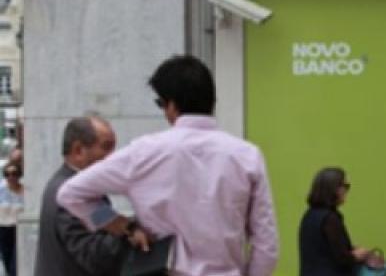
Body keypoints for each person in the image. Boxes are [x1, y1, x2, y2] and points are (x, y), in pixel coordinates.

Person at [57, 55, 279, 276]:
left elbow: (70, 194)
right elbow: (266, 245)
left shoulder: (144, 153)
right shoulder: (247, 156)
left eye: (160, 104)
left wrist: (123, 225)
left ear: (171, 105)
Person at [35, 116, 138, 276]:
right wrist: (132, 230)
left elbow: (108, 226)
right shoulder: (69, 195)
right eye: (106, 147)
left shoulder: (79, 188)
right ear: (78, 151)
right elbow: (95, 257)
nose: (113, 157)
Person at [299, 167, 370, 276]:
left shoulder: (309, 215)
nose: (346, 191)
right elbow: (342, 258)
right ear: (333, 188)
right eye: (345, 186)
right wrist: (357, 255)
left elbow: (321, 251)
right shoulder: (330, 219)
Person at [0, 162, 22, 275]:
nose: (11, 177)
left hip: (19, 229)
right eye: (7, 174)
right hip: (3, 229)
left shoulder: (25, 192)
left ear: (19, 175)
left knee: (16, 263)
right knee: (7, 260)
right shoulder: (1, 191)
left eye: (14, 173)